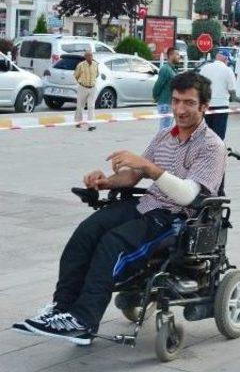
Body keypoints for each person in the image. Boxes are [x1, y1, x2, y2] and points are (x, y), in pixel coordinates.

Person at [13, 72, 225, 345]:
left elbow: (187, 195)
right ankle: (61, 308)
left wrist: (149, 167)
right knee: (87, 232)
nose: (180, 109)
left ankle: (84, 320)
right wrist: (105, 182)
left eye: (188, 103)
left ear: (204, 107)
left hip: (177, 218)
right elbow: (134, 176)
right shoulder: (164, 136)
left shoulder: (211, 146)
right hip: (146, 204)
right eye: (175, 101)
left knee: (112, 244)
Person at [199, 52, 236, 140]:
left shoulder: (205, 68)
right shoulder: (228, 70)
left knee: (205, 132)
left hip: (206, 104)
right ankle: (216, 152)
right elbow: (232, 89)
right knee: (218, 134)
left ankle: (204, 151)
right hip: (221, 105)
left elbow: (198, 85)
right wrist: (232, 98)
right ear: (226, 59)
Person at [152, 47, 181, 130]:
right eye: (177, 54)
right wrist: (155, 97)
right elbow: (158, 85)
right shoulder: (165, 69)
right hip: (166, 104)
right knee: (164, 131)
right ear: (171, 55)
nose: (179, 57)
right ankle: (159, 143)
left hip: (171, 104)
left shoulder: (172, 69)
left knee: (169, 130)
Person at [74, 50, 99, 131]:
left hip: (92, 88)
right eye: (88, 55)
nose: (90, 57)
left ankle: (91, 125)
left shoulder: (95, 65)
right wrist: (80, 83)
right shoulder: (81, 65)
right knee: (80, 106)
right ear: (85, 57)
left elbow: (97, 74)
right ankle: (78, 122)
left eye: (91, 55)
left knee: (91, 106)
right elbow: (76, 75)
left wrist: (92, 82)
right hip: (82, 88)